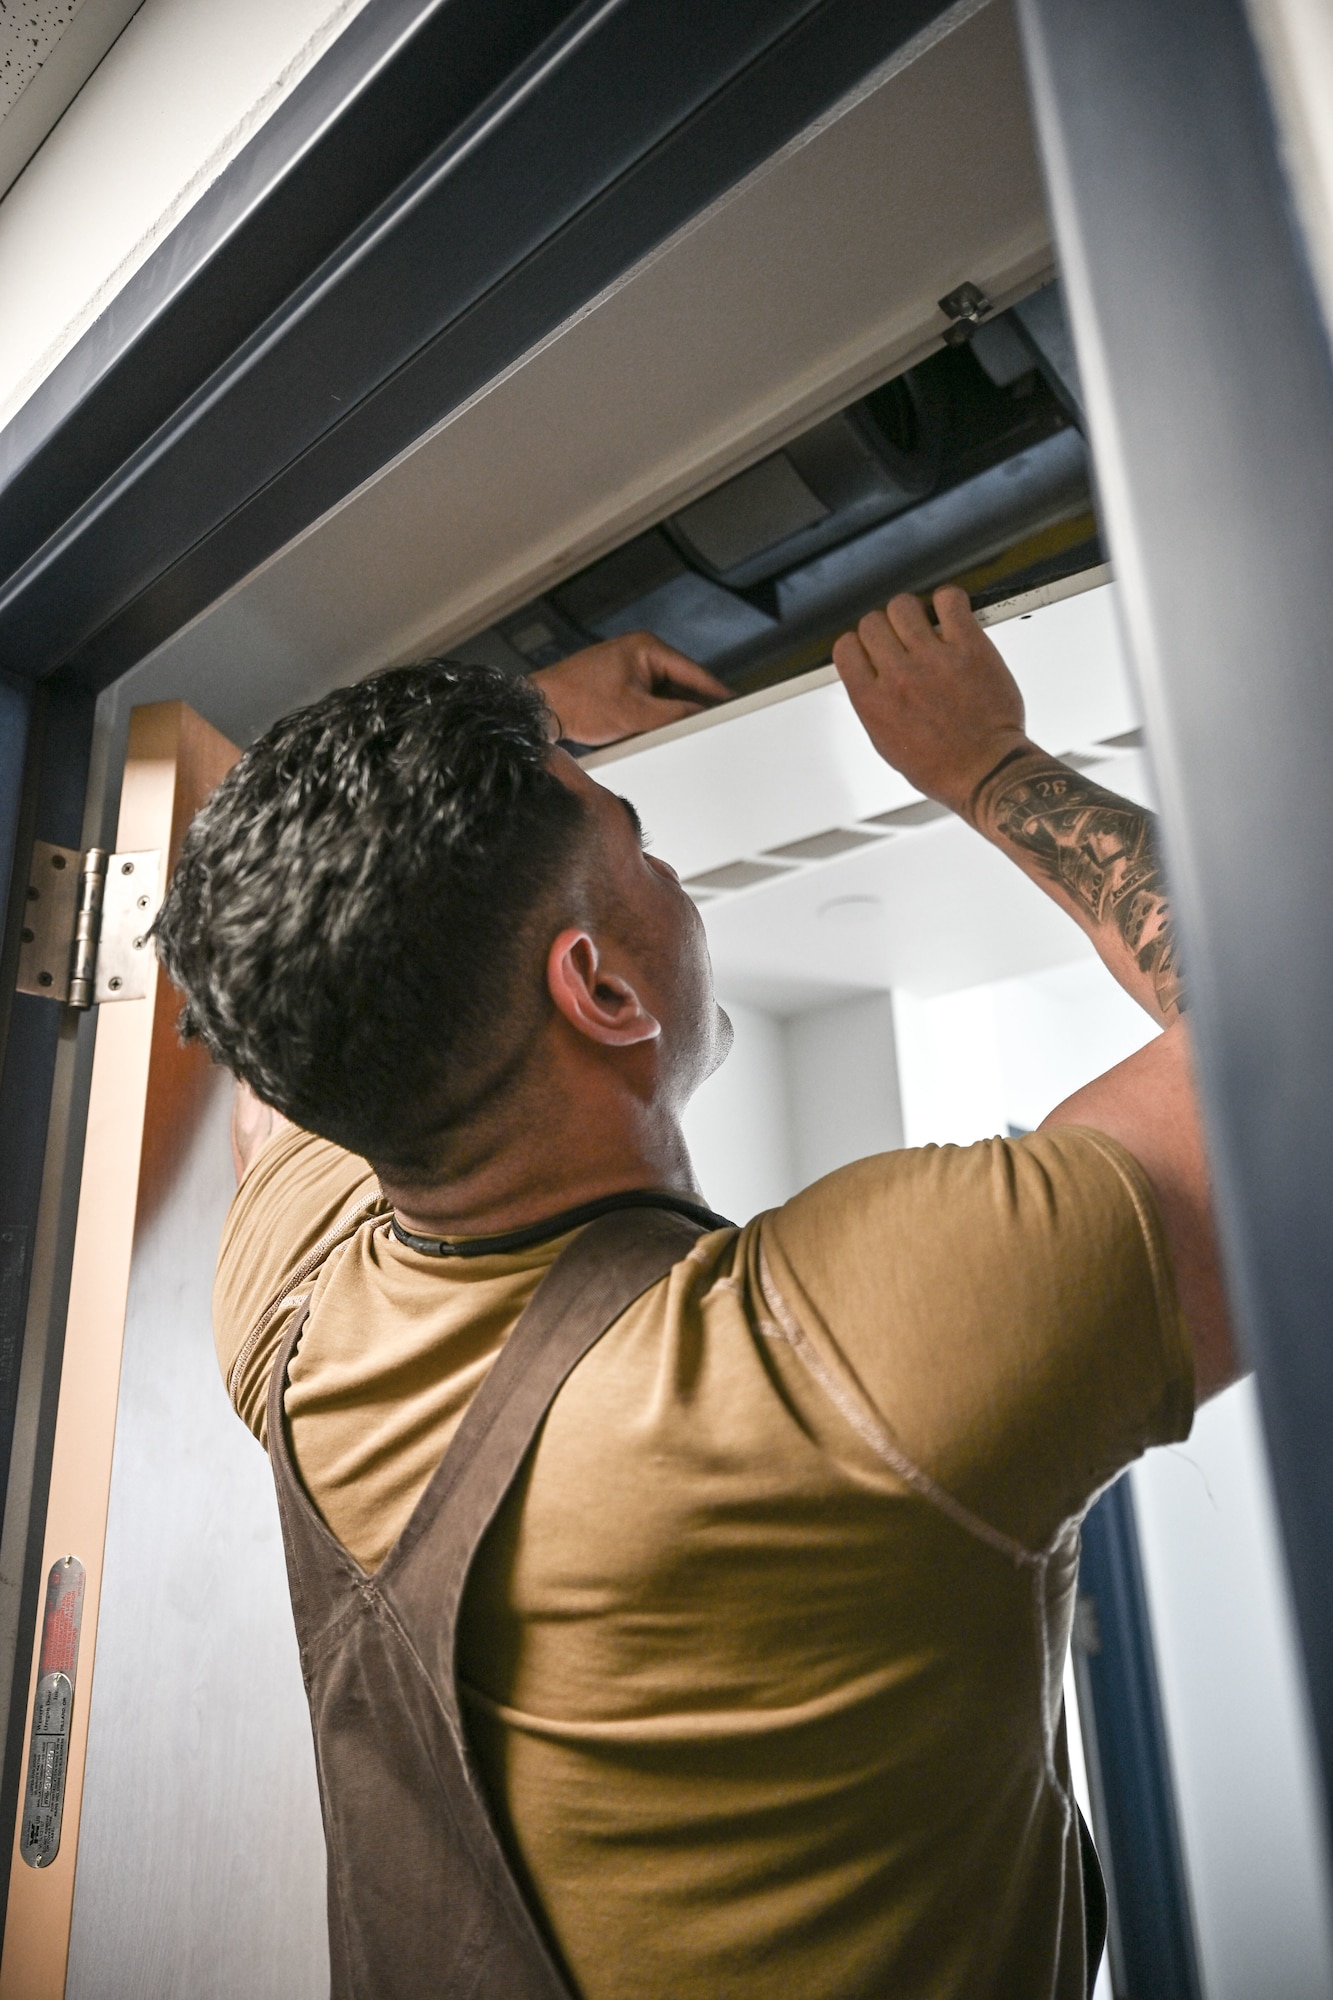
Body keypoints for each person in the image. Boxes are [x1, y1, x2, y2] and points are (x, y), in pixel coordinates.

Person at [154, 589, 1233, 2000]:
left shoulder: (292, 1317)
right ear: (601, 993)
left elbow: (294, 993)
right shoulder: (841, 1366)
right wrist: (984, 760)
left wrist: (524, 750)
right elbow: (1294, 1031)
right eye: (639, 845)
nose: (666, 870)